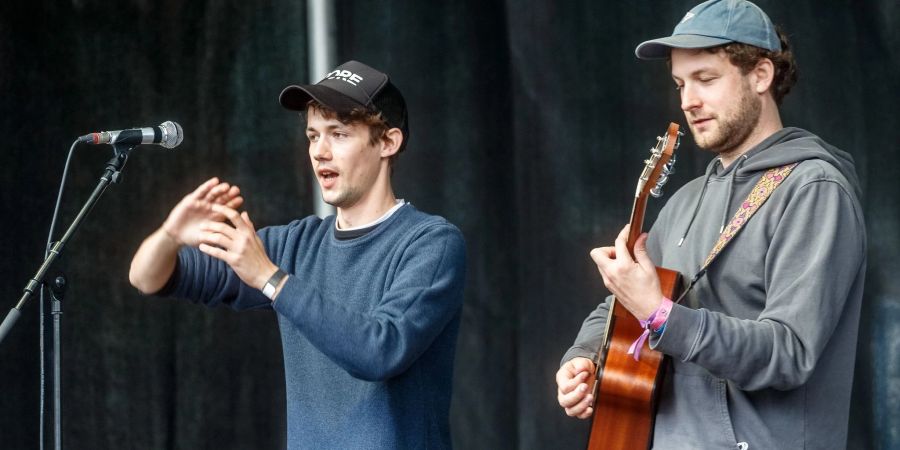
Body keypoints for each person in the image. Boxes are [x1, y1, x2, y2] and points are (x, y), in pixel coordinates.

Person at [556, 1, 866, 448]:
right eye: (680, 83)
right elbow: (624, 307)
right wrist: (582, 358)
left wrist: (661, 316)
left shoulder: (814, 189)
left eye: (706, 79)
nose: (688, 100)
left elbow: (789, 352)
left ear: (761, 75)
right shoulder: (685, 201)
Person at [129, 60, 466, 449]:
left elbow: (380, 350)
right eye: (312, 135)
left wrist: (271, 280)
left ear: (388, 143)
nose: (320, 152)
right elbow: (147, 278)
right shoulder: (295, 243)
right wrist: (171, 234)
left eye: (338, 134)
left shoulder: (431, 242)